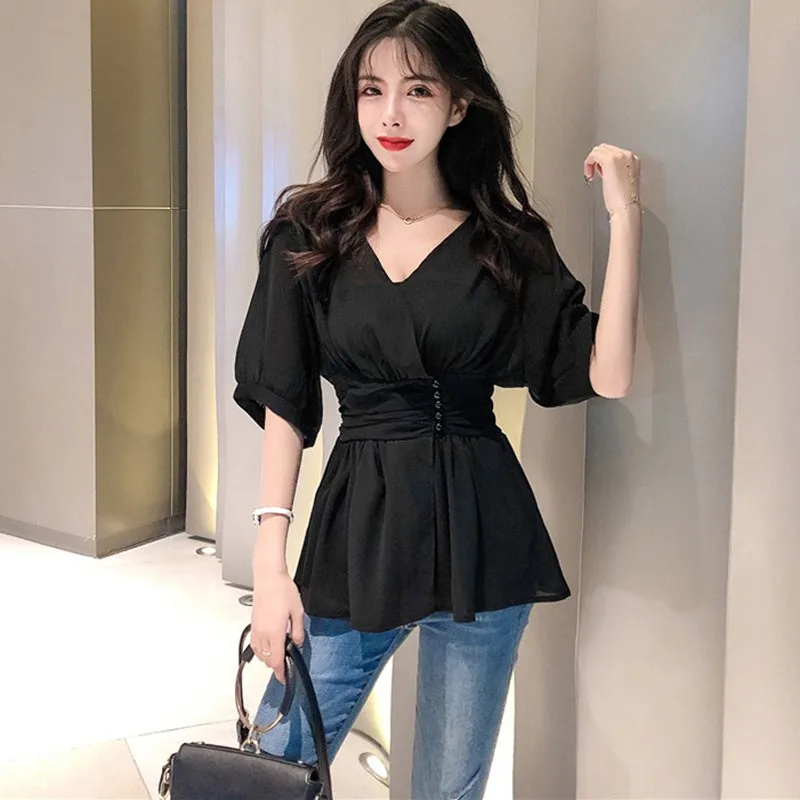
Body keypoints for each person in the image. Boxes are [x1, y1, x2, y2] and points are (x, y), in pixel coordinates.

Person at [233, 1, 641, 797]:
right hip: (357, 534)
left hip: (481, 539)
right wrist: (270, 568)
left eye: (417, 90)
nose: (391, 114)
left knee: (448, 790)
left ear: (458, 105)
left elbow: (608, 372)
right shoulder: (309, 234)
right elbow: (286, 402)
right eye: (372, 89)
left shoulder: (505, 244)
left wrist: (625, 216)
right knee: (274, 763)